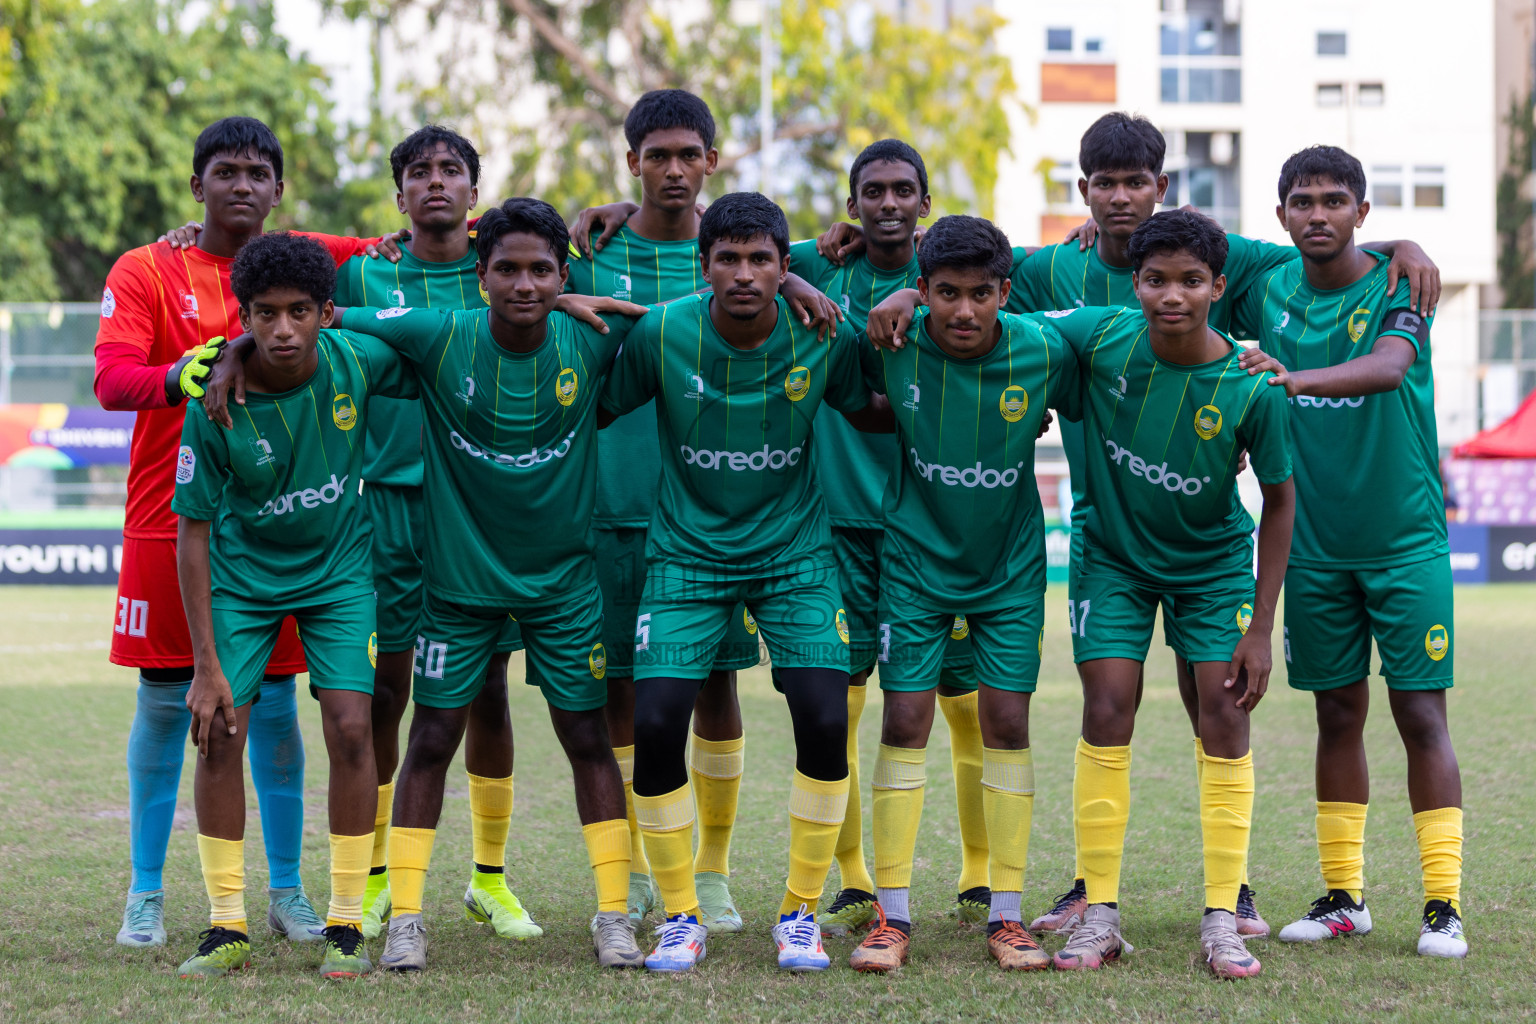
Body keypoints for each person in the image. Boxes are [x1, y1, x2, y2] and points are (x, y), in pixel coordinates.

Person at [1006, 112, 1439, 939]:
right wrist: (915, 288)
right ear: (1086, 194)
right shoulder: (1064, 288)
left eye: (1138, 182)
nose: (1172, 291)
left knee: (1219, 707)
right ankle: (1093, 896)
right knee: (1108, 705)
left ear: (1214, 280)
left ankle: (1228, 896)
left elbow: (1329, 244)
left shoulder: (1244, 340)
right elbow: (983, 288)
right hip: (1110, 536)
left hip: (1207, 548)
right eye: (1107, 183)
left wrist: (1403, 248)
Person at [94, 115, 398, 949]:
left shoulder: (304, 257)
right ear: (198, 185)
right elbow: (112, 377)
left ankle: (291, 894)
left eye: (258, 172)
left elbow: (404, 240)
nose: (242, 185)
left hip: (292, 534)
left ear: (278, 187)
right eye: (225, 171)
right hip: (175, 522)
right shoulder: (148, 267)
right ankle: (147, 893)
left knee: (280, 713)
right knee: (177, 706)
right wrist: (183, 369)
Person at [333, 198, 647, 972]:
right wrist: (236, 347)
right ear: (480, 277)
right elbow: (327, 315)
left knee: (587, 738)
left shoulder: (593, 336)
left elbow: (700, 311)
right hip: (459, 589)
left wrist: (804, 282)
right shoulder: (439, 335)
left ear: (563, 277)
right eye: (507, 268)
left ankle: (613, 915)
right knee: (432, 739)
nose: (524, 283)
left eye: (542, 270)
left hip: (565, 589)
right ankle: (406, 916)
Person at [565, 89, 844, 932]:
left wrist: (800, 265)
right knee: (636, 696)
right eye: (659, 156)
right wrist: (562, 298)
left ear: (712, 163)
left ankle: (712, 875)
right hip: (627, 508)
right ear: (634, 163)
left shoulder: (772, 267)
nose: (675, 169)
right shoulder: (592, 249)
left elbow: (853, 248)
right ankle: (652, 877)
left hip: (750, 521)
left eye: (690, 155)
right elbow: (513, 278)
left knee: (722, 682)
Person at [600, 192, 889, 973]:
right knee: (657, 724)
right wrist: (560, 303)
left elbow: (877, 406)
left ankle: (800, 914)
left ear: (785, 267)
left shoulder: (822, 332)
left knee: (827, 718)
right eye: (727, 257)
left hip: (794, 556)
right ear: (703, 268)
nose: (744, 273)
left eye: (762, 258)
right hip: (685, 557)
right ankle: (682, 916)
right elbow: (591, 399)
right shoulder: (664, 332)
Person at [1232, 146, 1467, 960]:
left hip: (1405, 544)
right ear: (1282, 216)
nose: (1319, 213)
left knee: (1420, 714)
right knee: (1337, 714)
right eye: (1303, 201)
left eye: (1336, 200)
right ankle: (1345, 898)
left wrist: (1291, 380)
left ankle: (1443, 907)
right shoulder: (1265, 286)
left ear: (1363, 213)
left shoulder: (1399, 283)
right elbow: (1163, 257)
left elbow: (1391, 368)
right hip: (1317, 550)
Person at [171, 232, 416, 979]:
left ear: (326, 313)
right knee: (218, 730)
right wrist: (206, 668)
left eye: (299, 312)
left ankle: (345, 923)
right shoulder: (214, 398)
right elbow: (193, 535)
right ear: (242, 314)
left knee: (351, 726)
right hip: (244, 582)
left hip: (340, 572)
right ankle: (225, 925)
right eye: (265, 315)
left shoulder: (357, 360)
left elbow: (445, 336)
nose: (282, 330)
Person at [841, 215, 1073, 973]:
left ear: (1007, 292)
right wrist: (899, 297)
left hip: (1007, 567)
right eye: (946, 293)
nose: (964, 310)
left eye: (981, 294)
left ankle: (1007, 918)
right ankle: (892, 915)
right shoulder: (891, 343)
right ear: (923, 289)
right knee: (904, 715)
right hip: (914, 561)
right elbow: (803, 321)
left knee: (1006, 718)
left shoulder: (1045, 347)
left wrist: (1246, 359)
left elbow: (1144, 329)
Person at [333, 125, 536, 943]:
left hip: (482, 510)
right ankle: (379, 875)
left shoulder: (504, 272)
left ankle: (489, 878)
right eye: (419, 172)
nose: (437, 183)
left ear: (475, 191)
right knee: (387, 688)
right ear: (400, 195)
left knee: (486, 688)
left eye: (453, 170)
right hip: (386, 504)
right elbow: (292, 260)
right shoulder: (365, 269)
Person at [786, 140, 991, 934]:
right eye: (872, 191)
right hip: (834, 524)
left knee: (960, 701)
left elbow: (1023, 272)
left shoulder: (955, 280)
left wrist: (914, 291)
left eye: (904, 190)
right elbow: (728, 245)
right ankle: (852, 879)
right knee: (836, 705)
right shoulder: (822, 265)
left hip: (932, 525)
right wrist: (802, 271)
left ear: (925, 201)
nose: (888, 203)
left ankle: (977, 875)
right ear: (851, 205)